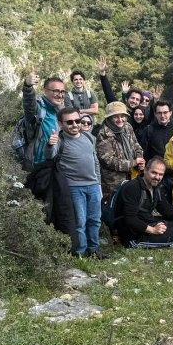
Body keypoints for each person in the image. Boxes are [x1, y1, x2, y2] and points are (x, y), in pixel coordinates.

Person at [46, 107, 104, 259]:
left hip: (93, 186)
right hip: (73, 188)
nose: (75, 125)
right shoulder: (59, 140)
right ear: (60, 123)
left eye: (77, 121)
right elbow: (50, 155)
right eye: (69, 122)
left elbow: (95, 161)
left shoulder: (89, 137)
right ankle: (80, 252)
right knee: (80, 222)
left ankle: (94, 251)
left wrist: (98, 184)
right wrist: (50, 144)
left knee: (95, 220)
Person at [117, 157, 173, 247]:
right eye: (154, 173)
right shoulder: (132, 187)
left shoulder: (156, 187)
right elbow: (130, 219)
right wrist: (153, 230)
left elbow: (169, 213)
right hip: (133, 235)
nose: (157, 177)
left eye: (161, 174)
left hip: (148, 223)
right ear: (145, 170)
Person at [96, 102, 145, 199]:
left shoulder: (127, 127)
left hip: (133, 176)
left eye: (123, 116)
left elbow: (136, 145)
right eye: (116, 117)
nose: (120, 120)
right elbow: (108, 160)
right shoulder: (103, 134)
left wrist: (140, 158)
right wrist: (132, 163)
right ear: (109, 118)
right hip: (114, 182)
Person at [22, 68, 64, 166]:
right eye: (56, 91)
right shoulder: (38, 108)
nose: (60, 95)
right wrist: (28, 86)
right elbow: (29, 104)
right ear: (45, 91)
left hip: (55, 164)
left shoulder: (61, 111)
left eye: (62, 92)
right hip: (38, 163)